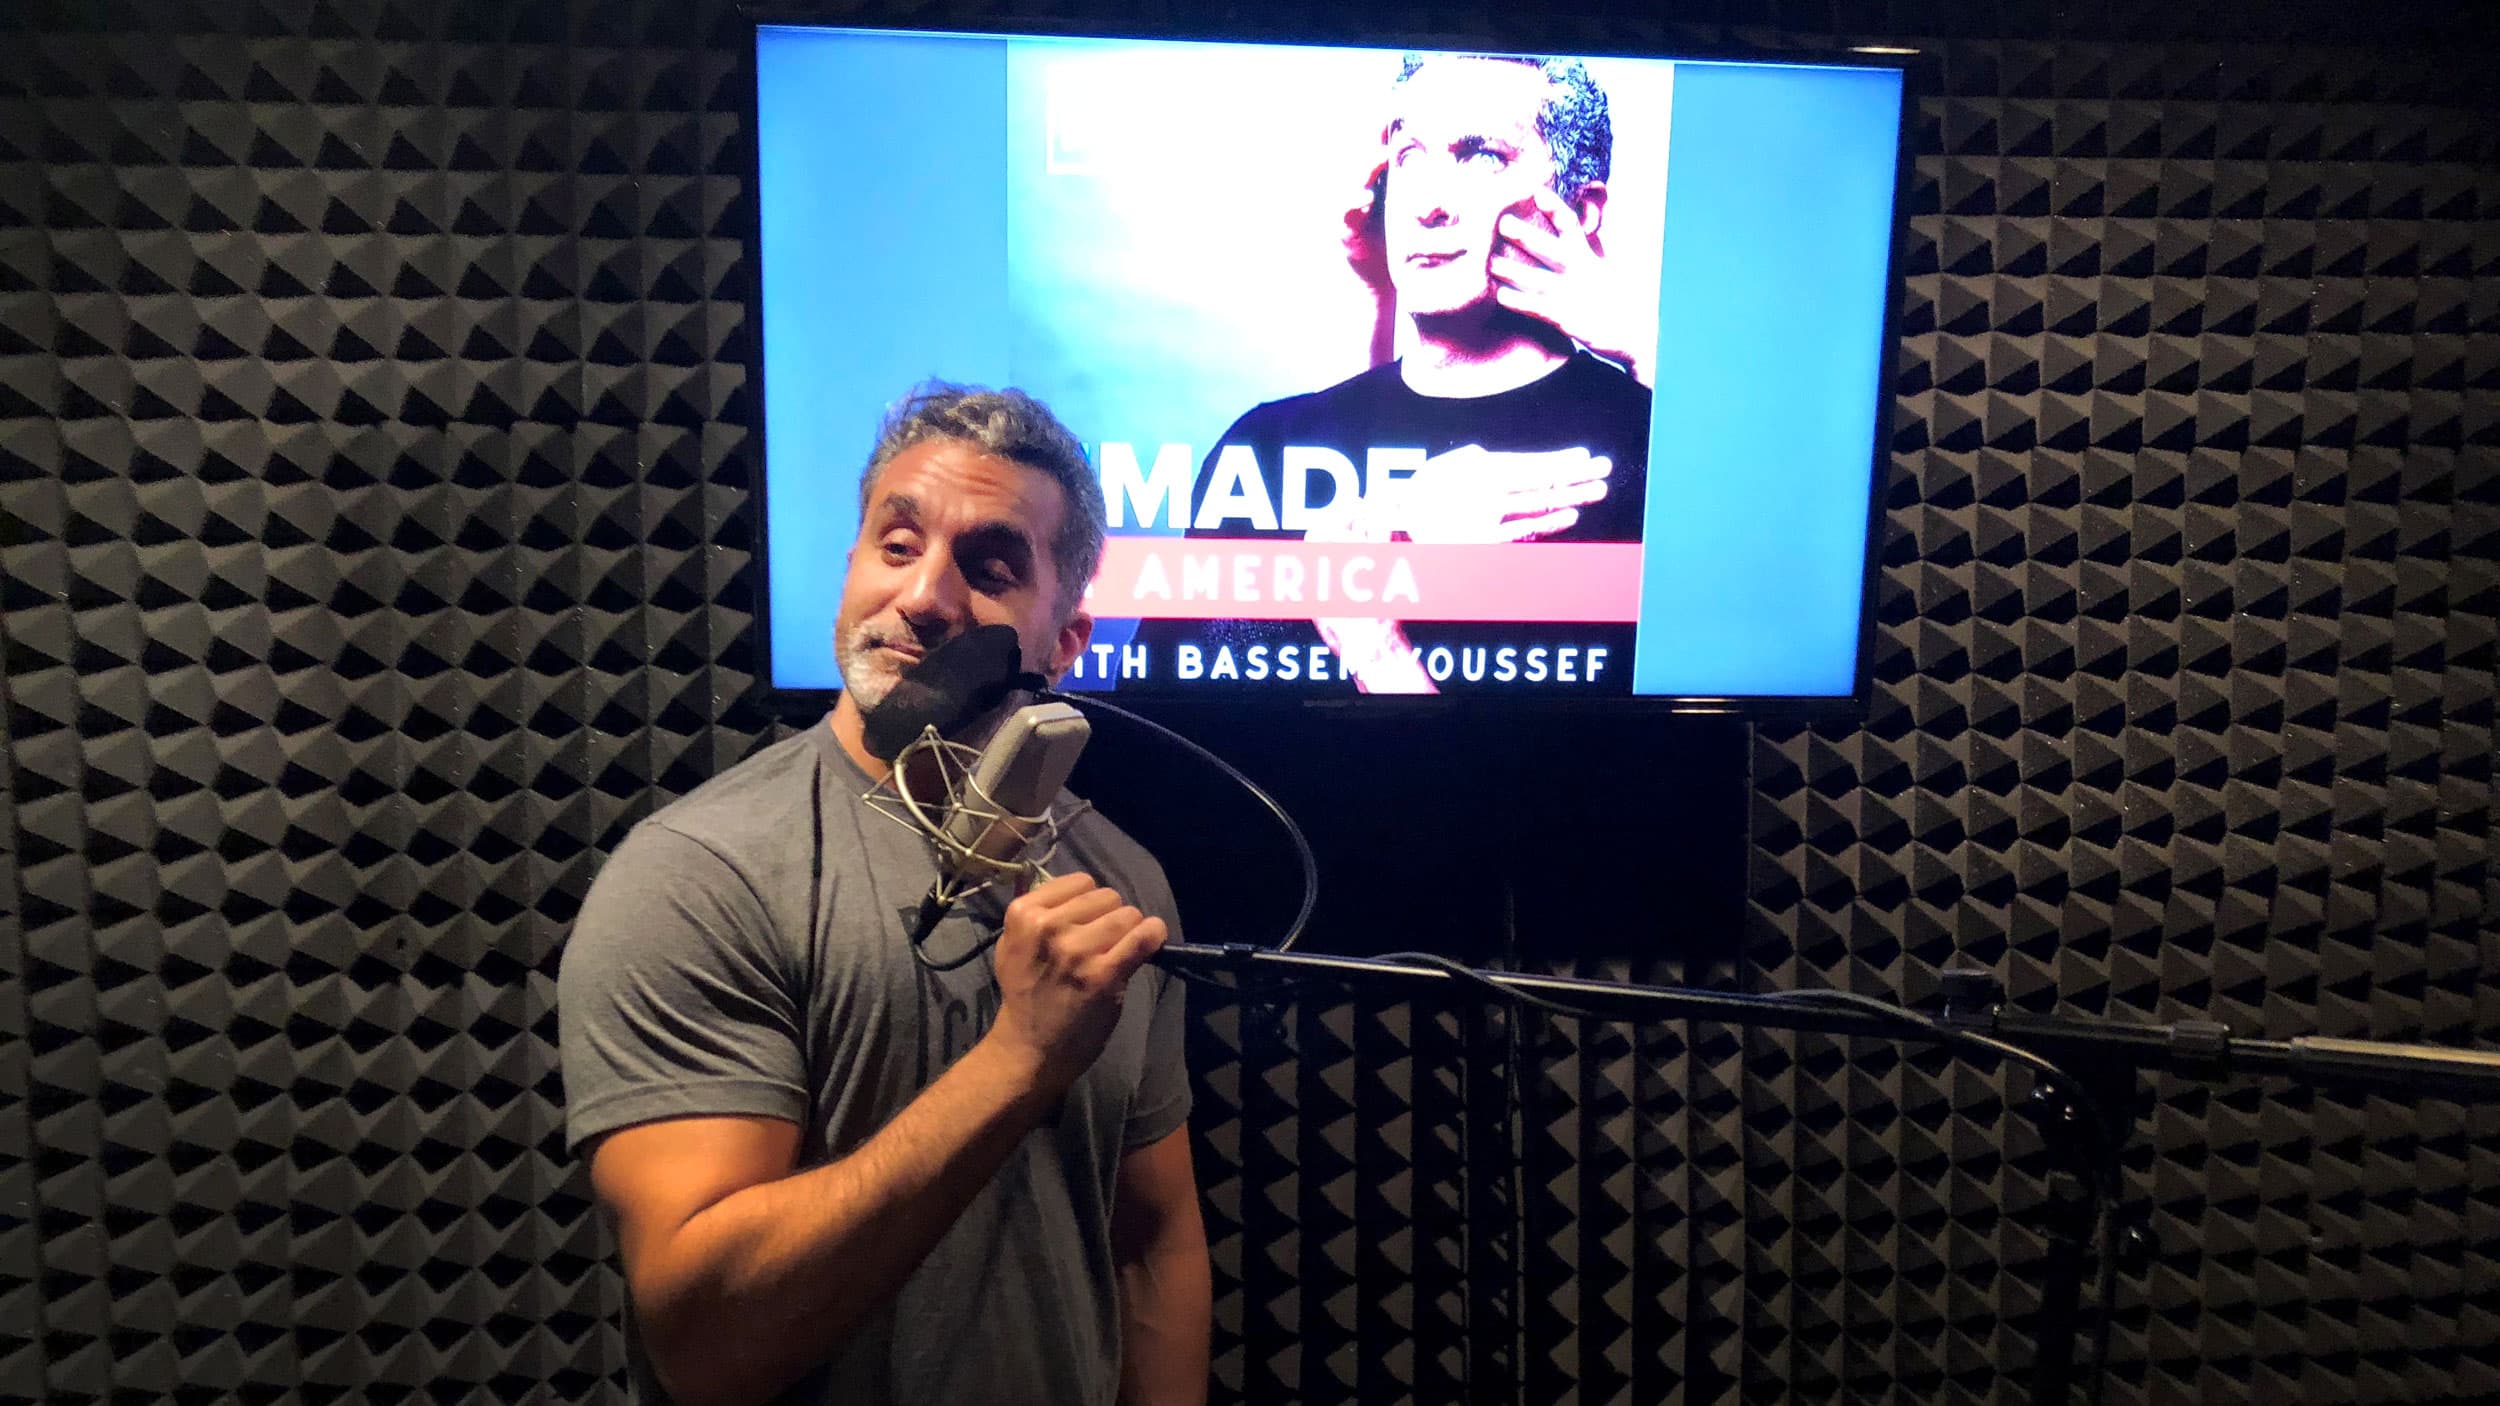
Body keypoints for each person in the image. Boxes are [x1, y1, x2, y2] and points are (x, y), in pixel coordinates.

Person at [559, 384, 1210, 1406]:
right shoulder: (701, 872)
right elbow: (703, 1340)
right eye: (896, 545)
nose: (923, 596)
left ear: (1067, 640)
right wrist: (1019, 1058)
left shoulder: (1119, 876)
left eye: (989, 567)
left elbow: (1152, 1241)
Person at [1172, 51, 1656, 693]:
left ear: (1583, 208)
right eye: (1408, 157)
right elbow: (1178, 716)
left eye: (1482, 156)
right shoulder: (1268, 443)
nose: (1426, 204)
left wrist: (1376, 645)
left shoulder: (1659, 442)